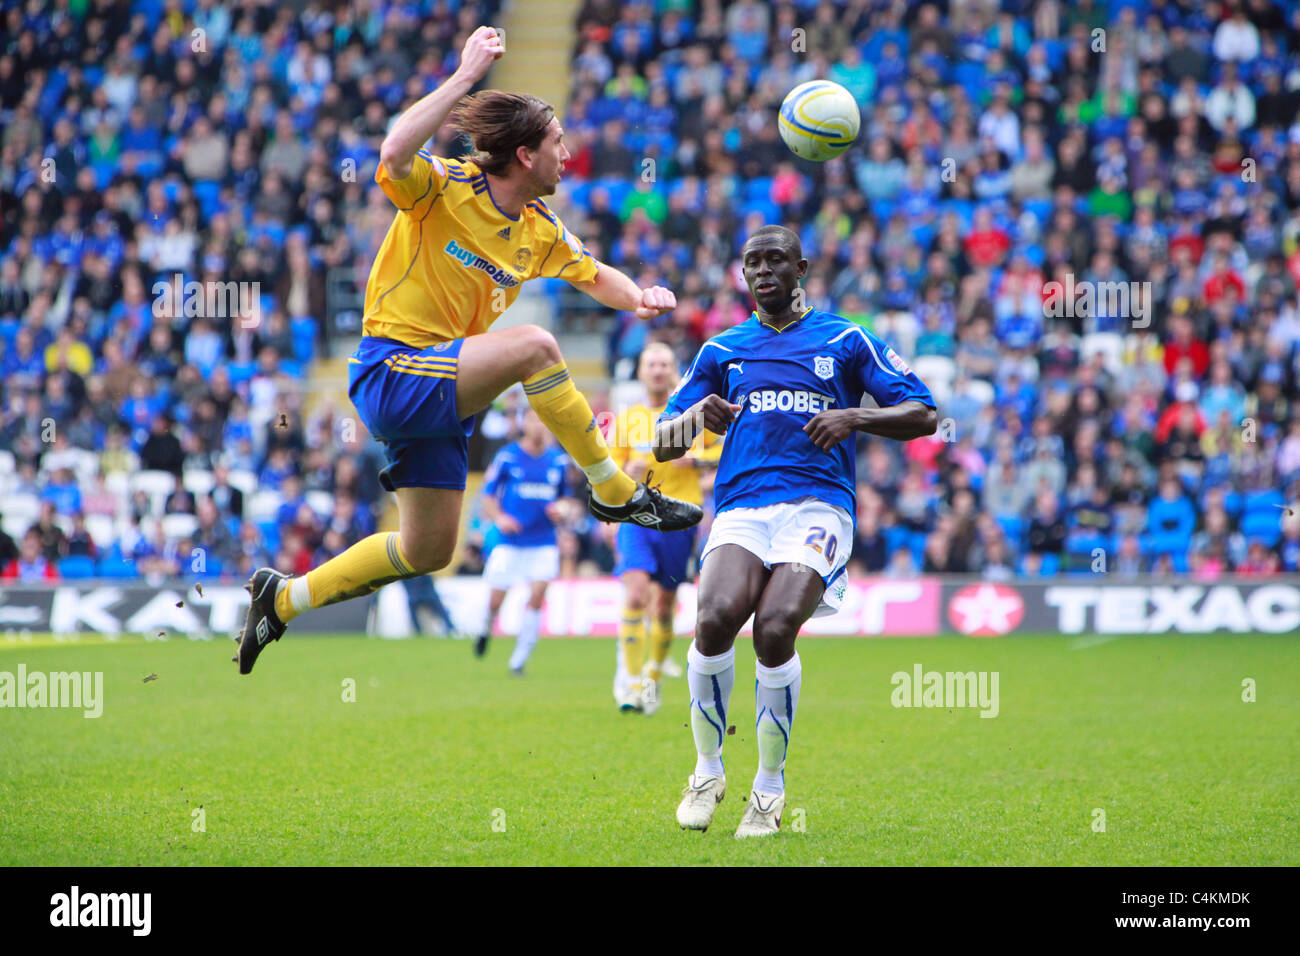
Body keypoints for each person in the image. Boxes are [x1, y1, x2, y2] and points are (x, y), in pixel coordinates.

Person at [237, 26, 701, 674]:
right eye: (557, 143)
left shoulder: (538, 229)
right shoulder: (443, 190)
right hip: (393, 368)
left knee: (428, 549)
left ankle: (282, 598)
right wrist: (462, 78)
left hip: (440, 390)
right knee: (535, 346)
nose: (568, 154)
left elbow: (592, 272)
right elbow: (395, 150)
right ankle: (613, 489)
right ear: (522, 154)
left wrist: (641, 297)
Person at [654, 226, 937, 838]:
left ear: (801, 267)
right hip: (741, 506)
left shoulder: (845, 337)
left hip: (818, 507)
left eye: (775, 260)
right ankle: (707, 771)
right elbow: (659, 439)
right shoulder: (720, 350)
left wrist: (855, 416)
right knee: (713, 618)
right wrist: (697, 417)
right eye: (752, 262)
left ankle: (769, 787)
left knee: (776, 626)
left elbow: (924, 413)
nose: (762, 271)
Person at [609, 342, 721, 713]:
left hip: (679, 519)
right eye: (651, 363)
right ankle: (631, 684)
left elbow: (723, 451)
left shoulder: (691, 416)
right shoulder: (627, 420)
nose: (658, 370)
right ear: (641, 372)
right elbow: (608, 473)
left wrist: (697, 460)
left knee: (663, 605)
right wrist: (628, 473)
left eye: (665, 363)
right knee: (637, 594)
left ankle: (652, 682)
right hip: (637, 517)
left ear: (675, 371)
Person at [475, 409, 570, 675]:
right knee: (496, 600)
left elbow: (566, 499)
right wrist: (500, 518)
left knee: (537, 597)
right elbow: (488, 497)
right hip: (511, 541)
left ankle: (519, 659)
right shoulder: (507, 457)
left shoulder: (558, 461)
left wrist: (561, 509)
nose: (539, 425)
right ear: (523, 423)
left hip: (543, 541)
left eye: (543, 419)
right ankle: (485, 629)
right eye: (533, 419)